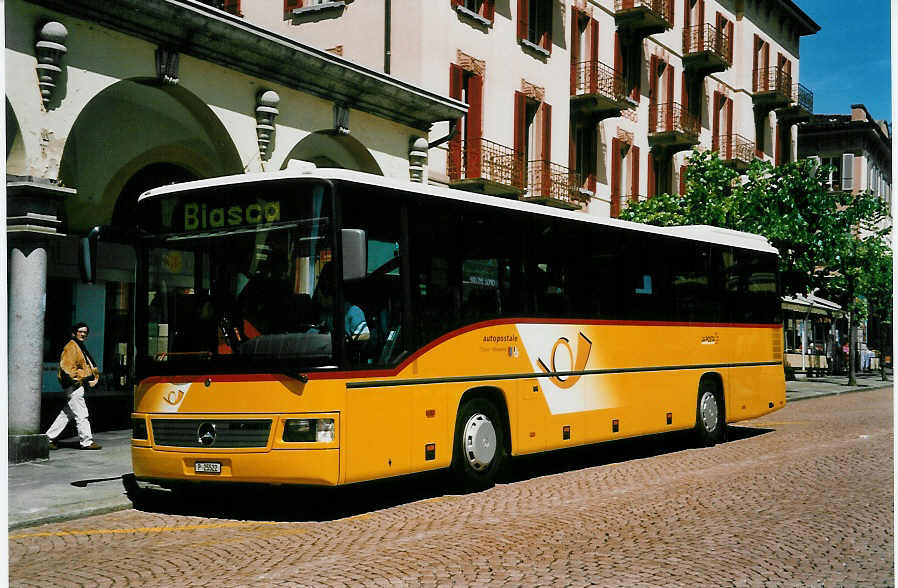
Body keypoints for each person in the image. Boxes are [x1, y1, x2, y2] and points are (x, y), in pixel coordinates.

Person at [45, 322, 102, 450]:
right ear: (74, 333)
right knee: (82, 413)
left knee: (66, 414)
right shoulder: (71, 347)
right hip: (74, 385)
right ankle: (86, 441)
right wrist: (80, 379)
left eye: (85, 332)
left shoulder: (78, 346)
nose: (83, 334)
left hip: (76, 385)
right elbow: (67, 368)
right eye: (80, 331)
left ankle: (47, 438)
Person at [313, 263, 370, 342]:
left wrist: (345, 340)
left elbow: (365, 335)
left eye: (320, 293)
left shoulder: (353, 311)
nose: (318, 298)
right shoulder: (324, 313)